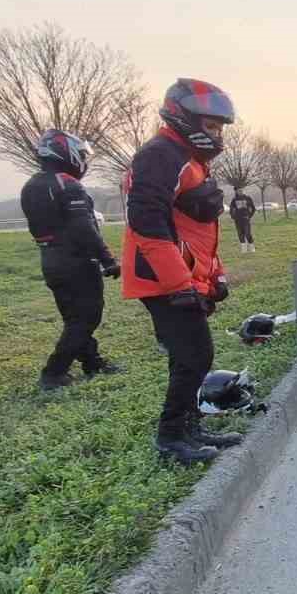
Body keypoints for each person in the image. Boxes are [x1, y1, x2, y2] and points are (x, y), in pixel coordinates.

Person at [122, 78, 246, 465]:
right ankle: (171, 437)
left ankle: (190, 427)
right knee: (194, 356)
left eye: (220, 127)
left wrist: (215, 276)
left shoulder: (192, 161)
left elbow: (197, 231)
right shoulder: (161, 155)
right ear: (185, 117)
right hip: (162, 280)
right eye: (211, 125)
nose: (217, 134)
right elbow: (147, 222)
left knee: (190, 357)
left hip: (184, 278)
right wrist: (178, 284)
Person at [20, 129, 122, 392]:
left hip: (50, 258)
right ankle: (54, 372)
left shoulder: (32, 184)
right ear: (66, 153)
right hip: (76, 259)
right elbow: (83, 228)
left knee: (74, 317)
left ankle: (92, 362)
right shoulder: (68, 184)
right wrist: (107, 258)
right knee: (87, 318)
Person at [228, 189, 256, 253]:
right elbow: (231, 209)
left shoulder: (247, 198)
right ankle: (244, 249)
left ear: (243, 190)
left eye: (241, 190)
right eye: (238, 191)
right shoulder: (234, 199)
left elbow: (253, 208)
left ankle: (252, 248)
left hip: (246, 219)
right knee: (240, 234)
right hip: (238, 220)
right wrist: (233, 217)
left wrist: (249, 216)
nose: (240, 192)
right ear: (236, 191)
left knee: (247, 233)